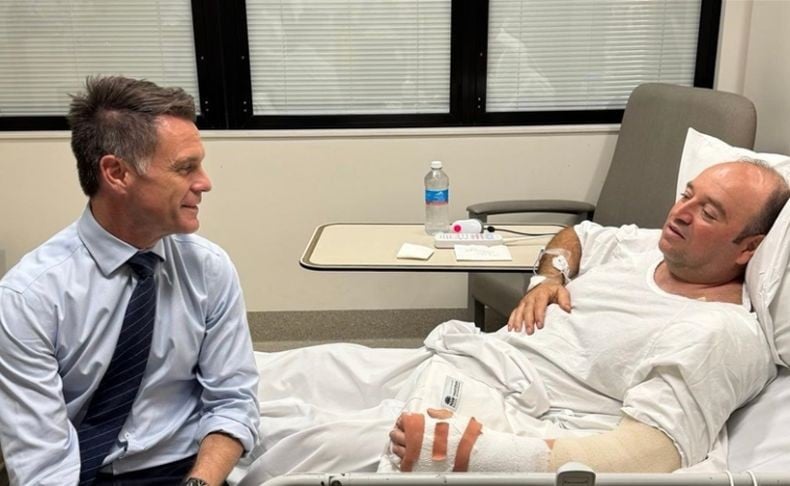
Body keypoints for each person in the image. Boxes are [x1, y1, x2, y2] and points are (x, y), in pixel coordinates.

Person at [234, 160, 789, 483]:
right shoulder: (646, 247)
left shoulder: (722, 334)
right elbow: (575, 235)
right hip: (459, 360)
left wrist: (473, 453)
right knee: (277, 371)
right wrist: (550, 277)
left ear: (750, 248)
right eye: (687, 195)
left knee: (292, 444)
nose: (680, 214)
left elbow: (650, 454)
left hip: (488, 412)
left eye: (708, 212)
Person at [0, 76, 259, 486]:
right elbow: (41, 464)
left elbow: (232, 401)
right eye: (185, 167)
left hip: (192, 470)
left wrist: (200, 481)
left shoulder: (208, 268)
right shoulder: (28, 299)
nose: (205, 182)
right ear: (117, 173)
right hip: (82, 473)